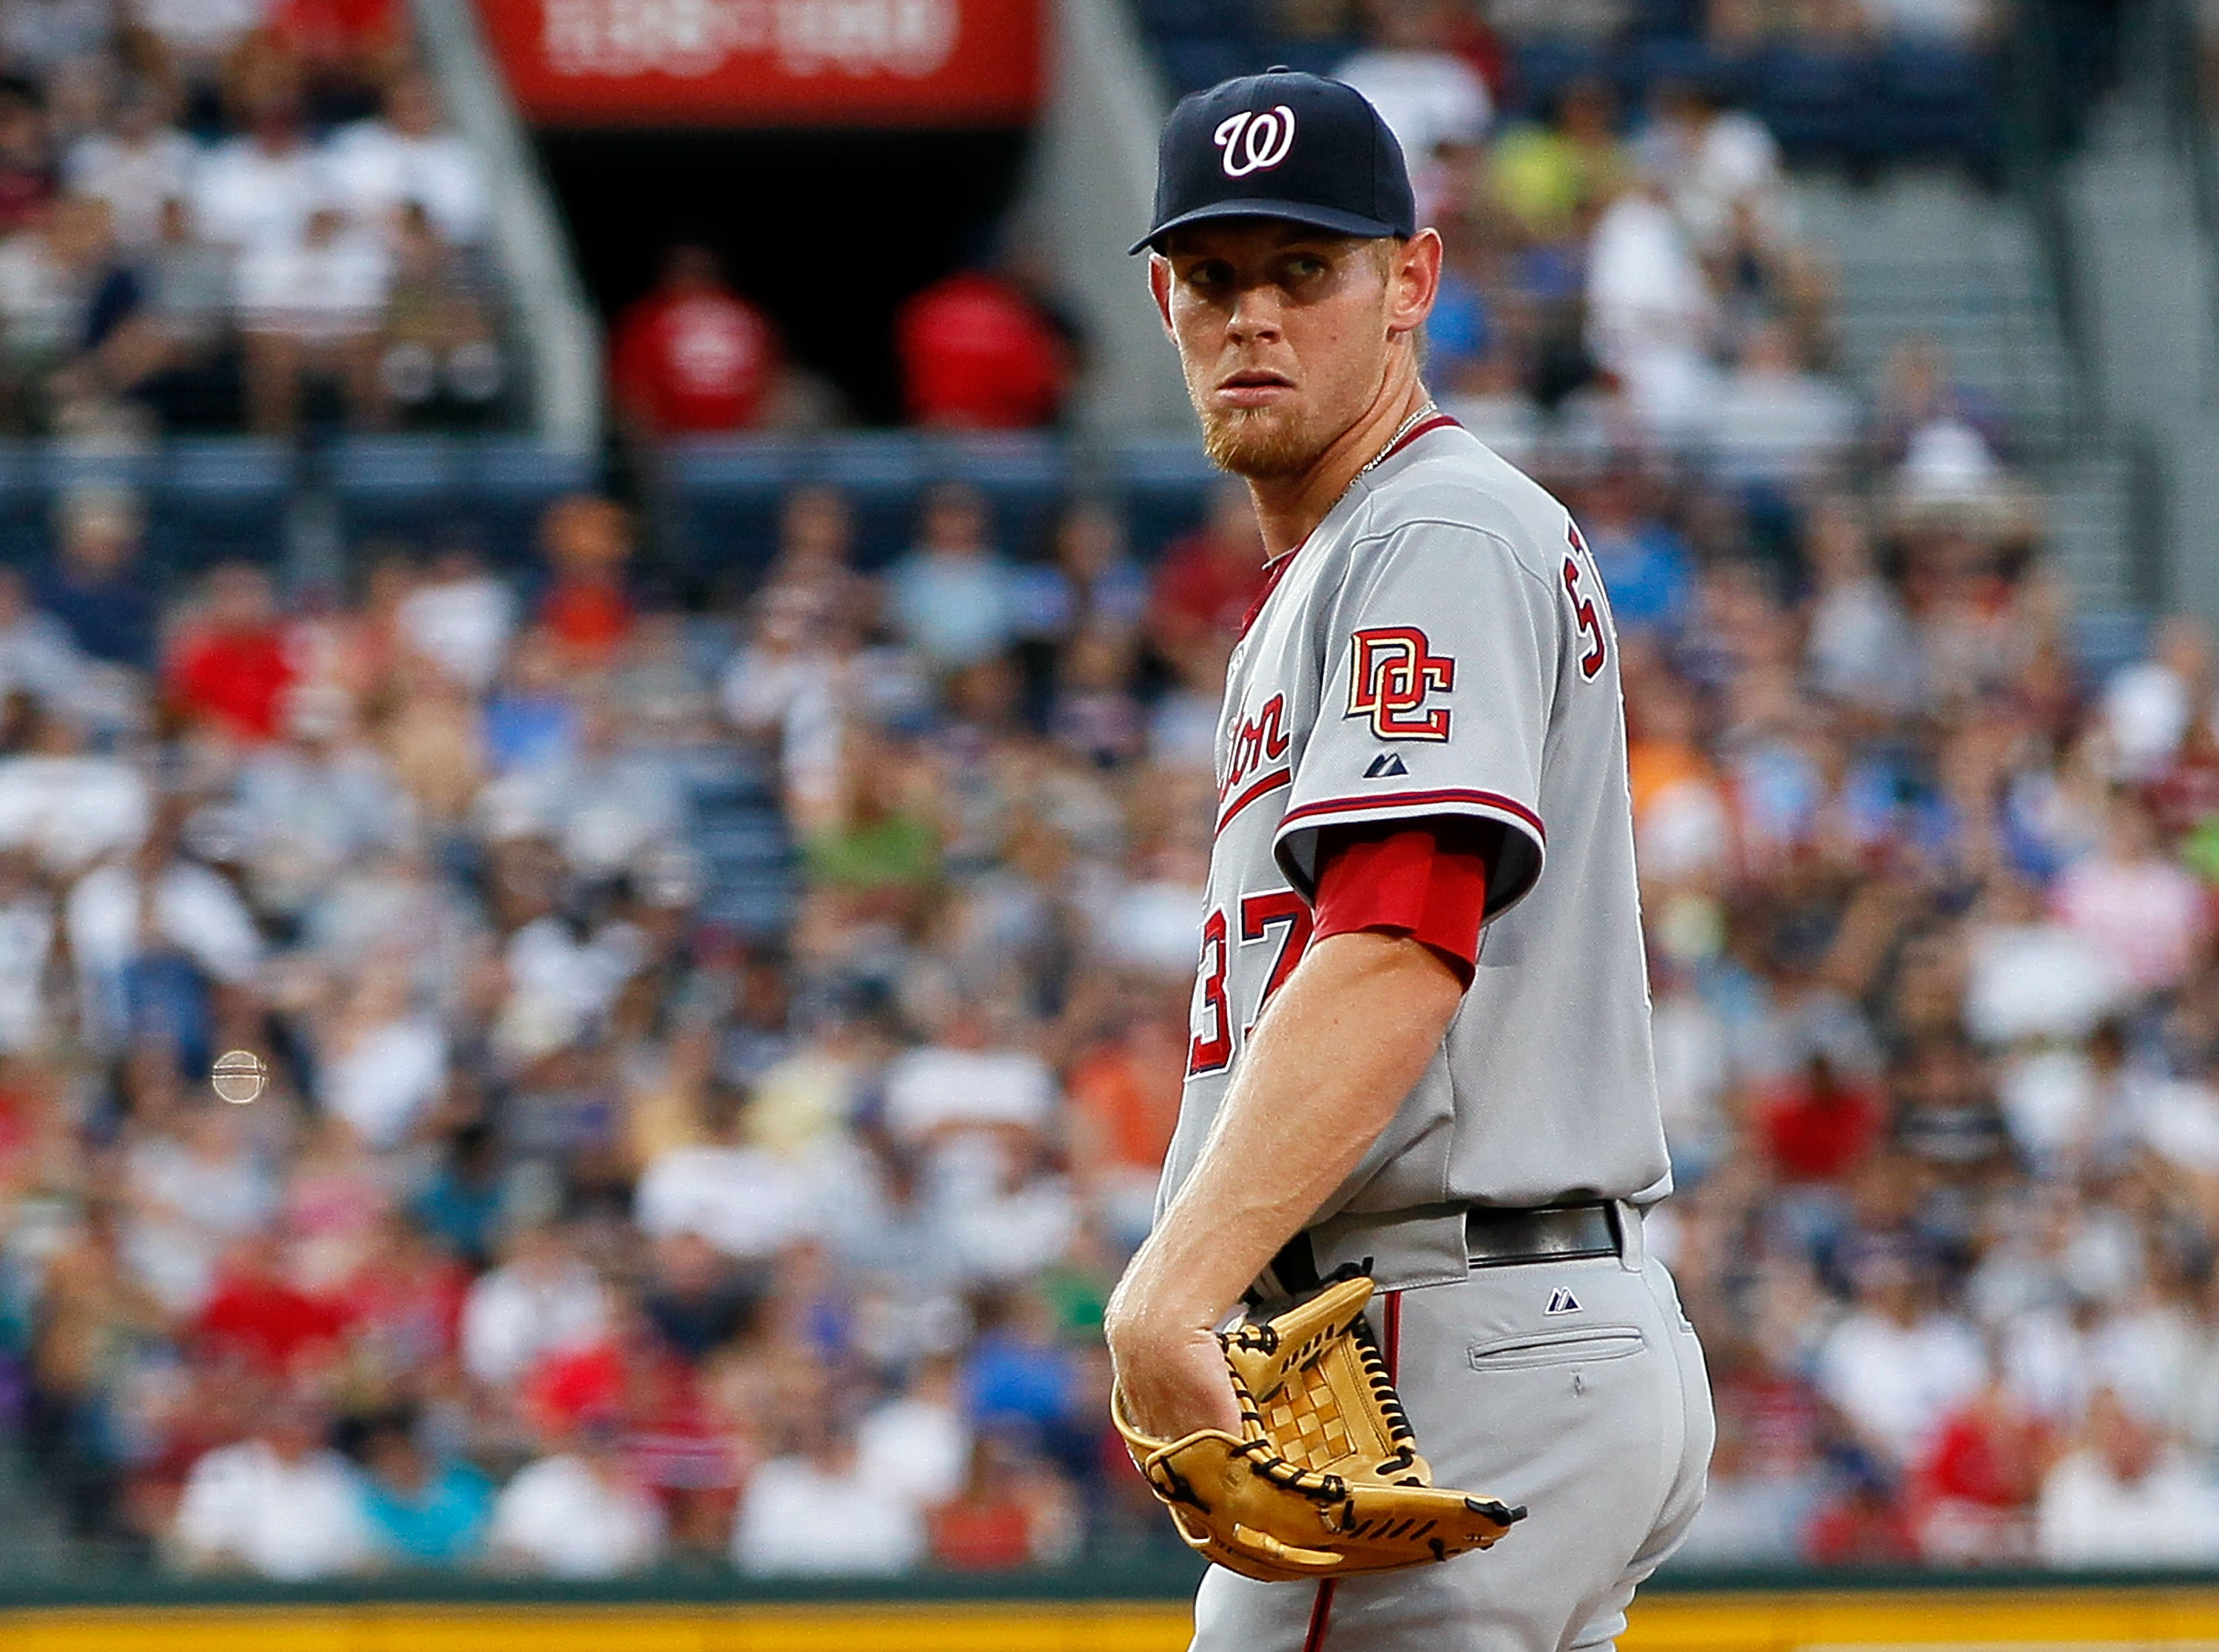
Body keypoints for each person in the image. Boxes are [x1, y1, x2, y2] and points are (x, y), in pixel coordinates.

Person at [1103, 70, 1712, 1650]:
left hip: (1445, 1330)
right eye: (1218, 278)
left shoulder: (1426, 532)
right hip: (1508, 1325)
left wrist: (1170, 1288)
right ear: (1165, 301)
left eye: (1307, 271)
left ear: (1410, 284)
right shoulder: (1362, 552)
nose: (1255, 318)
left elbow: (1396, 940)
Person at [609, 244, 778, 435]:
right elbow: (630, 390)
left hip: (739, 446)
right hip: (673, 446)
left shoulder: (747, 318)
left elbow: (773, 382)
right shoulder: (646, 318)